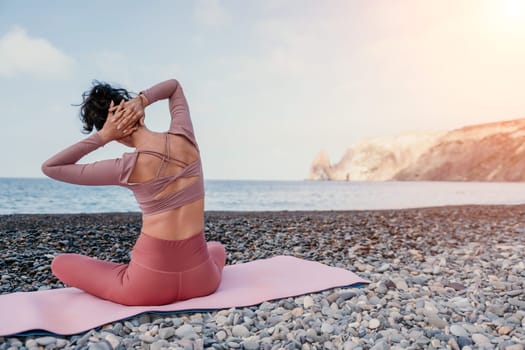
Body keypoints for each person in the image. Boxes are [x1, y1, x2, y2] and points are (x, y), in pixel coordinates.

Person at [41, 79, 226, 306]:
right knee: (216, 248)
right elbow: (174, 86)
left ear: (115, 135)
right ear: (139, 113)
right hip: (203, 282)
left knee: (60, 263)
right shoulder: (184, 136)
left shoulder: (124, 168)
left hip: (146, 287)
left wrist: (103, 136)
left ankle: (131, 274)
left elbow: (51, 168)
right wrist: (142, 100)